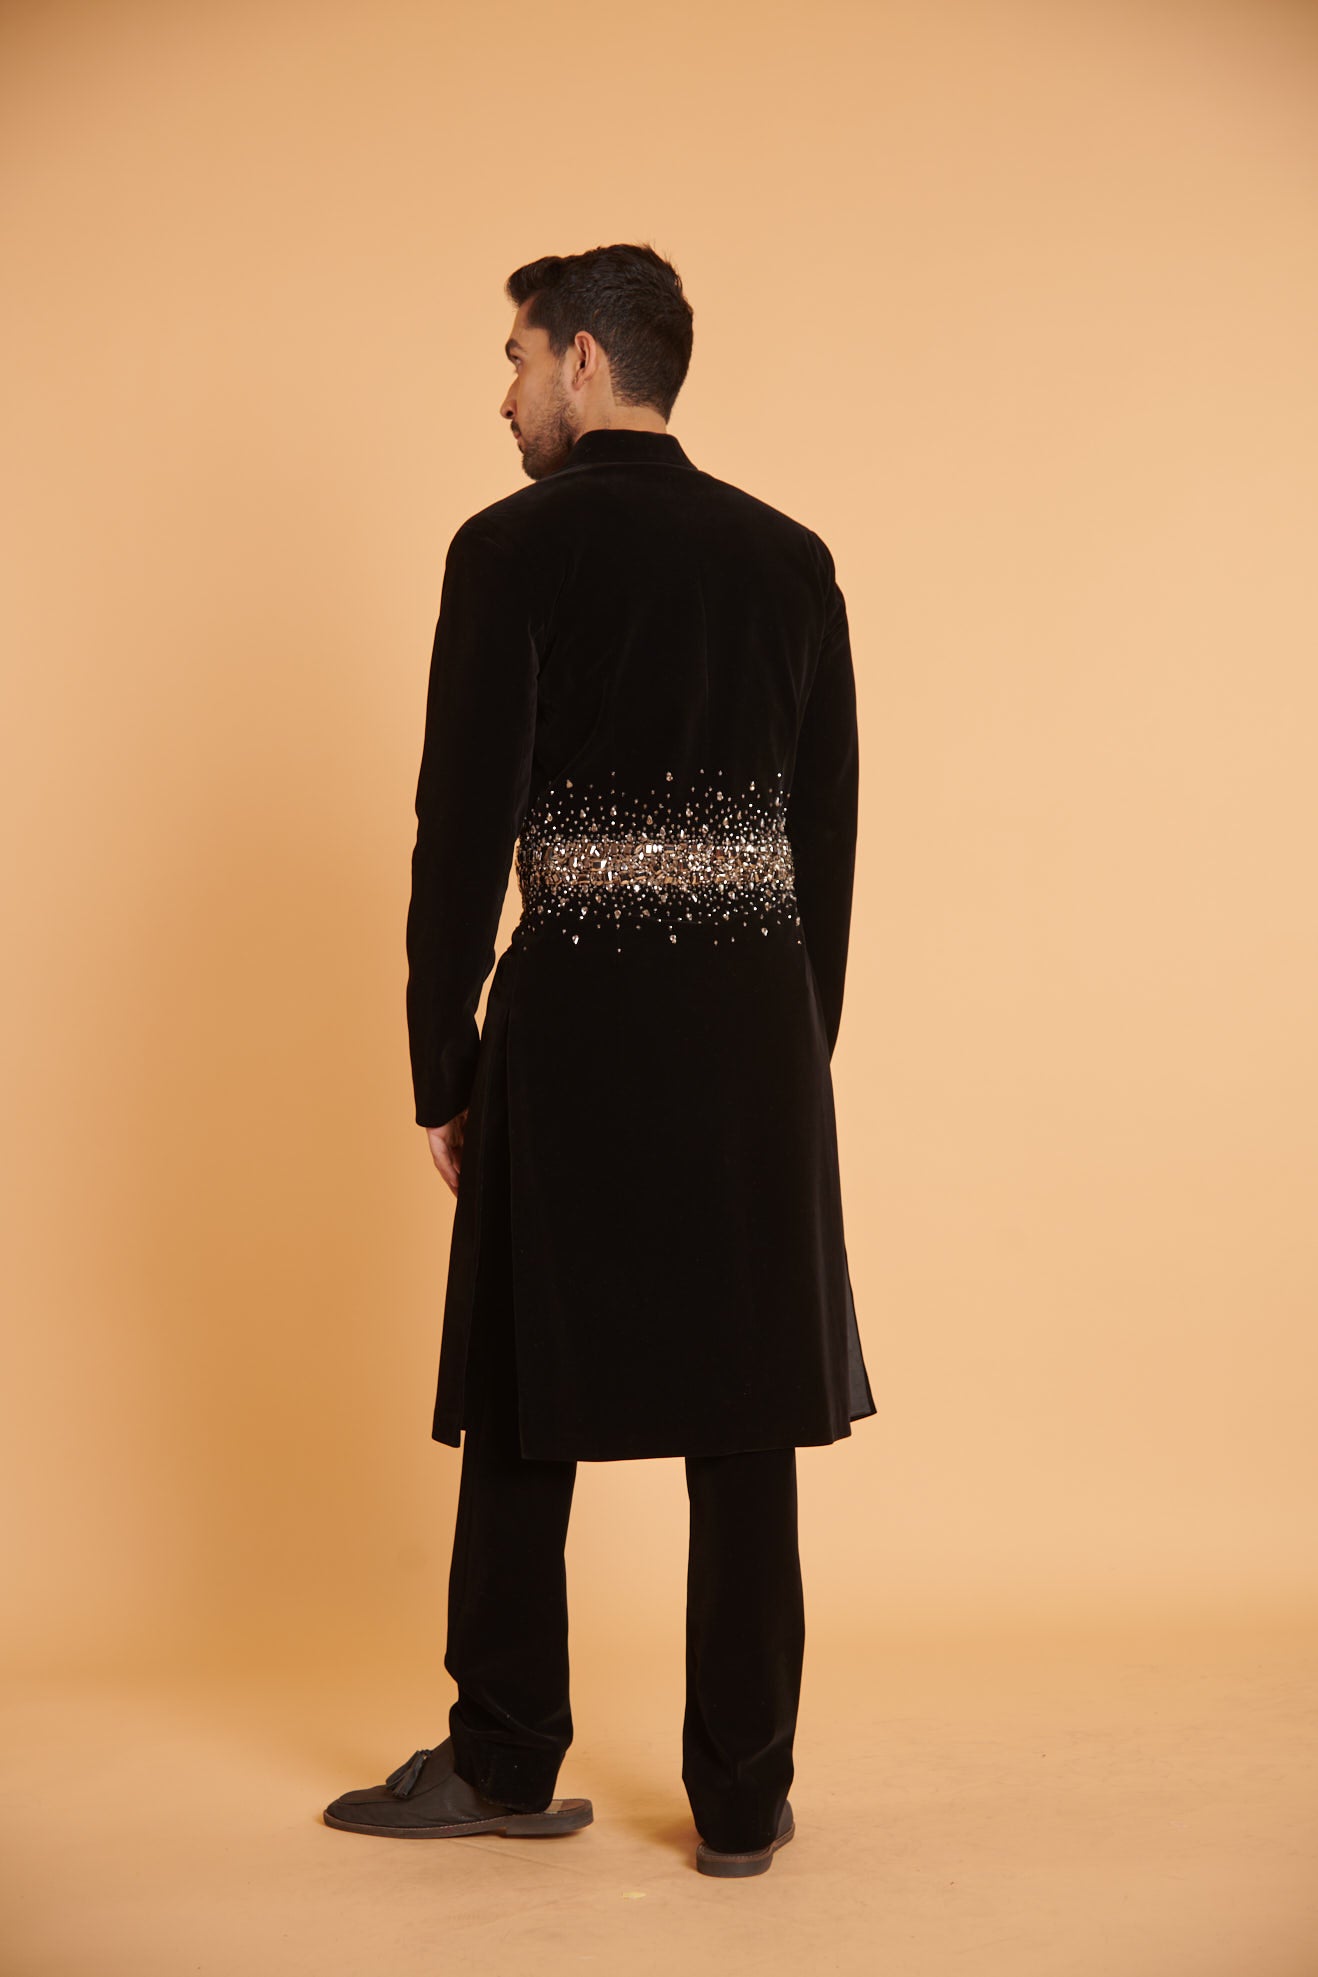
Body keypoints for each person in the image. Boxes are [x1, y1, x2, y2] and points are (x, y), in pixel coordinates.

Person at [323, 243, 876, 1878]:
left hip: (571, 1021)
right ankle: (743, 1799)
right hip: (753, 1036)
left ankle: (503, 1755)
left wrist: (441, 1063)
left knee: (522, 1387)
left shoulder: (509, 549)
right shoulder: (789, 558)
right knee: (746, 1414)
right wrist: (789, 1051)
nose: (502, 396)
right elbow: (826, 841)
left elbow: (459, 826)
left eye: (514, 359)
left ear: (581, 358)